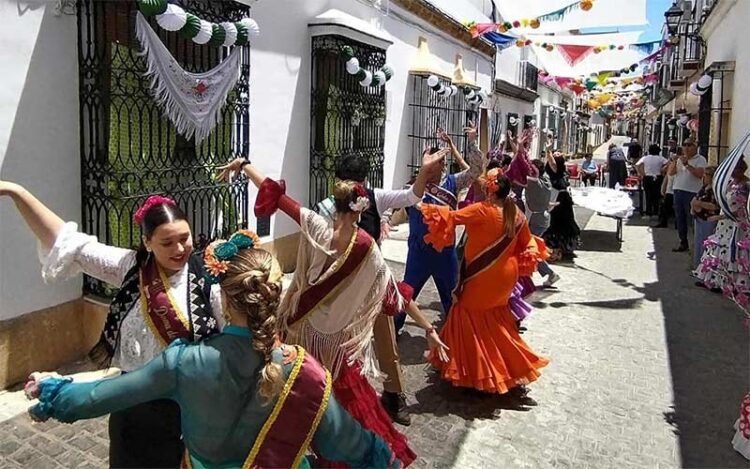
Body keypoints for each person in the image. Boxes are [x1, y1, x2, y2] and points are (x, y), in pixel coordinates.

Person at [25, 234, 402, 469]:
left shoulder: (184, 362)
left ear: (223, 299)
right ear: (276, 295)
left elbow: (95, 397)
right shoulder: (304, 372)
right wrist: (383, 456)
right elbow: (344, 441)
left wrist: (51, 390)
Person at [218, 159, 451, 467]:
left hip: (295, 337)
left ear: (335, 205)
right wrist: (430, 330)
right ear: (360, 209)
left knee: (284, 403)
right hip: (335, 352)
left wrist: (244, 166)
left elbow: (273, 192)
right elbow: (395, 295)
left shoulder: (315, 225)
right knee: (345, 416)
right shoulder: (367, 248)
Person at [0, 182, 222, 468]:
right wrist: (16, 191)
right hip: (131, 405)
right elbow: (68, 243)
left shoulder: (210, 280)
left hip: (190, 410)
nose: (180, 249)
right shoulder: (132, 268)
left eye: (185, 238)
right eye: (167, 242)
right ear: (147, 243)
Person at [315, 148, 446, 426]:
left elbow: (411, 197)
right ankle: (338, 399)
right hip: (341, 288)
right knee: (342, 346)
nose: (353, 188)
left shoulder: (375, 198)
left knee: (387, 341)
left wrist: (423, 171)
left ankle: (393, 394)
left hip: (374, 283)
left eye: (356, 182)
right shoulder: (326, 208)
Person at [419, 167, 549, 401]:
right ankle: (505, 366)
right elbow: (529, 243)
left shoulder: (483, 210)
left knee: (467, 315)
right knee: (495, 320)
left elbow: (452, 217)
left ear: (490, 191)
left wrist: (423, 207)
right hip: (506, 276)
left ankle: (474, 372)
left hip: (483, 275)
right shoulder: (516, 213)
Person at [394, 120, 483, 332]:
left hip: (445, 253)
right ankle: (392, 331)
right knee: (407, 294)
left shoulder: (454, 182)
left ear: (442, 164)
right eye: (429, 161)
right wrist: (384, 222)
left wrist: (472, 142)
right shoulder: (412, 187)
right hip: (419, 253)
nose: (432, 165)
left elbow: (476, 170)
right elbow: (392, 205)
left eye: (437, 161)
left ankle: (457, 335)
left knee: (452, 297)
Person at [695, 159, 750, 296]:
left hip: (736, 224)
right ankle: (714, 280)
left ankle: (735, 284)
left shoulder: (746, 185)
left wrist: (719, 217)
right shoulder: (732, 183)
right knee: (719, 250)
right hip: (724, 224)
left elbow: (741, 209)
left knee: (734, 252)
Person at [526, 158, 560, 287]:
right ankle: (548, 273)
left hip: (538, 220)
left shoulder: (535, 182)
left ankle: (550, 274)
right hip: (542, 218)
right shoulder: (546, 180)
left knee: (531, 249)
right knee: (532, 248)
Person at [669, 138, 708, 252]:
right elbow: (671, 173)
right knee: (680, 218)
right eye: (684, 145)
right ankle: (683, 242)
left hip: (692, 192)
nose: (686, 147)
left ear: (695, 147)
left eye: (689, 145)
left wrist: (687, 164)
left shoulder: (700, 159)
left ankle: (697, 244)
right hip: (678, 190)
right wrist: (674, 161)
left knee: (692, 218)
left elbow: (699, 174)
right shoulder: (680, 159)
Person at [544, 150, 580, 260]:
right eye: (556, 153)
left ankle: (561, 249)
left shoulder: (560, 170)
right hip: (557, 201)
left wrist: (549, 150)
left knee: (563, 223)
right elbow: (552, 163)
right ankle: (557, 248)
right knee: (556, 224)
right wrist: (549, 151)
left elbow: (553, 163)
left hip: (563, 202)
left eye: (559, 153)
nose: (557, 152)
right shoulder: (552, 171)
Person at [690, 166, 719, 270]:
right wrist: (693, 206)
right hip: (699, 218)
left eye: (707, 174)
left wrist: (699, 203)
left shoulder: (715, 190)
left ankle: (705, 269)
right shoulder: (705, 187)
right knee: (698, 243)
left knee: (706, 244)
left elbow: (714, 206)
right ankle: (697, 267)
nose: (704, 176)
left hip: (708, 219)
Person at [636, 144, 667, 216]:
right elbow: (668, 164)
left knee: (648, 195)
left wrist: (642, 173)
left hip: (647, 177)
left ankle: (648, 212)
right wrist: (663, 170)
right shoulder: (661, 158)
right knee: (657, 195)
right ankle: (656, 211)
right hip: (658, 177)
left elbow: (637, 165)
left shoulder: (645, 158)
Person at [654, 149, 679, 229]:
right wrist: (663, 188)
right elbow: (666, 176)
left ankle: (677, 224)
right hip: (669, 190)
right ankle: (663, 222)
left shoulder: (681, 166)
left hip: (677, 190)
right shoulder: (670, 166)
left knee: (676, 209)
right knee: (664, 207)